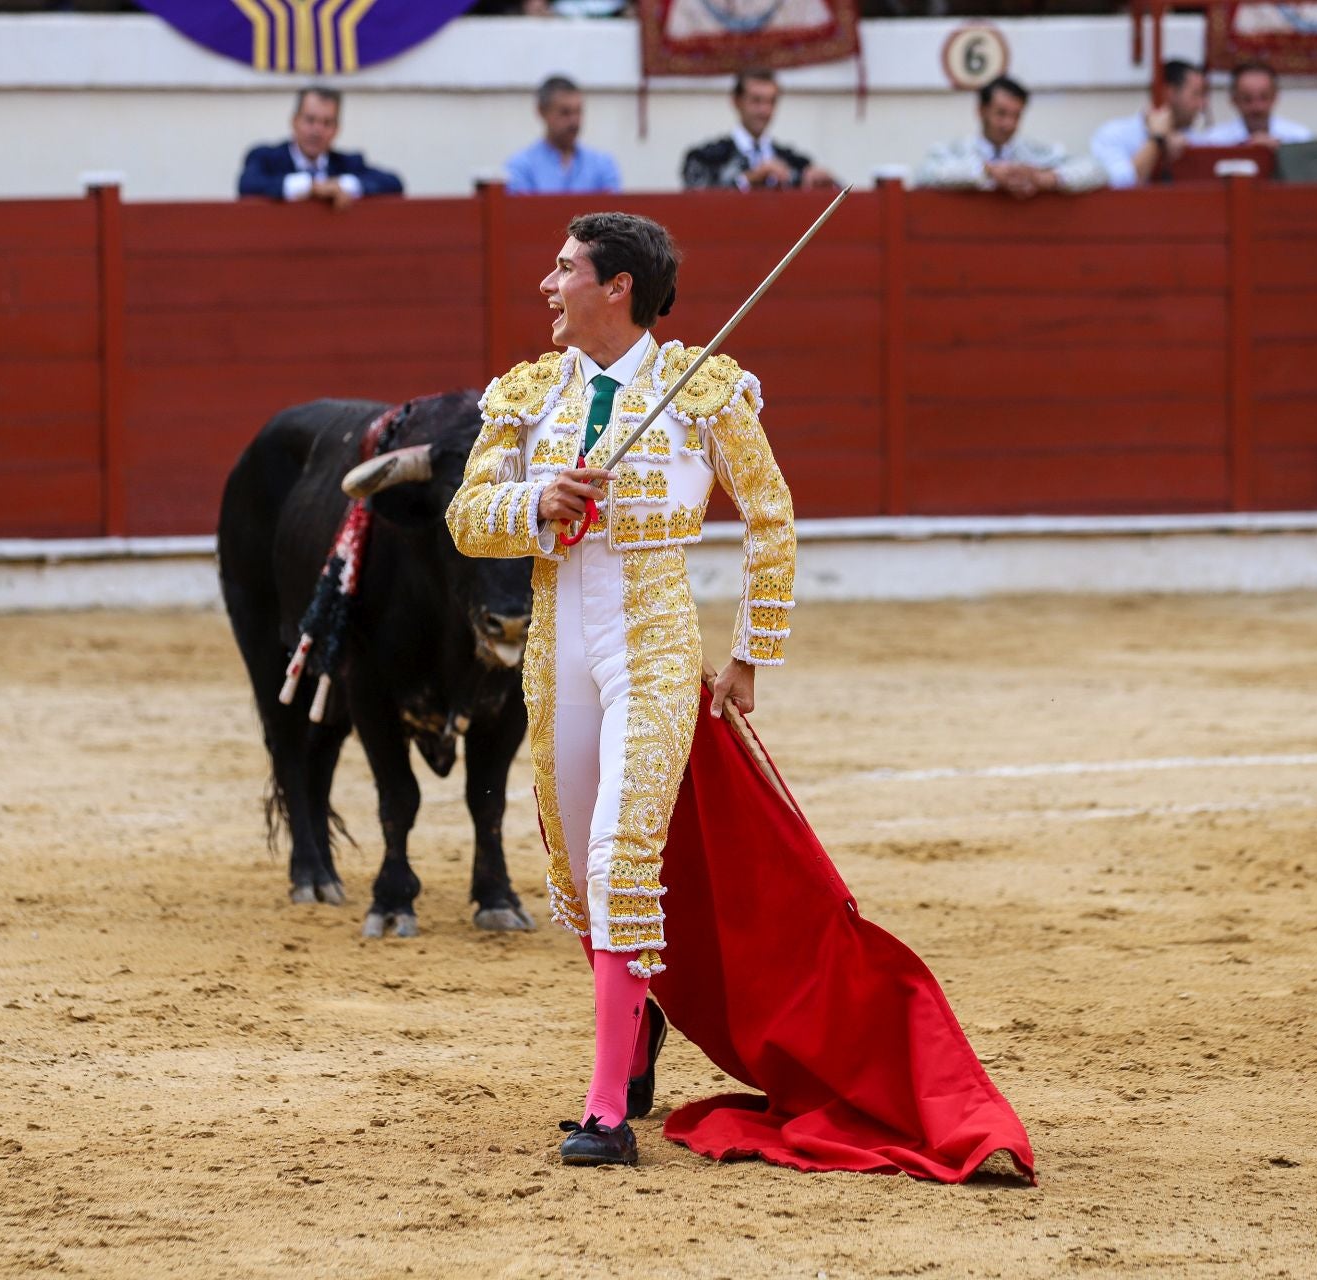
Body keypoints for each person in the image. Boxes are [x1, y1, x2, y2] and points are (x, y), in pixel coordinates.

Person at [443, 213, 1037, 1182]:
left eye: (564, 269)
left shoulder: (701, 390)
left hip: (652, 650)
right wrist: (537, 502)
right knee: (579, 869)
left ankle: (605, 1112)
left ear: (617, 287)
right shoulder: (526, 394)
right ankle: (634, 1032)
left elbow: (772, 514)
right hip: (556, 657)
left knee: (619, 861)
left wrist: (751, 652)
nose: (547, 286)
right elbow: (468, 519)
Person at [916, 75, 1105, 196]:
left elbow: (1097, 170)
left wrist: (1047, 178)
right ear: (981, 111)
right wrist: (986, 172)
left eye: (1016, 115)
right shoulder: (956, 151)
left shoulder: (1034, 152)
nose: (1009, 124)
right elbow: (924, 174)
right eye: (1001, 114)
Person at [237, 86, 403, 207]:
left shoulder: (348, 164)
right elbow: (247, 185)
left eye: (327, 123)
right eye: (310, 120)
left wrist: (340, 185)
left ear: (336, 129)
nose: (317, 130)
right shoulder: (266, 158)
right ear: (294, 121)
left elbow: (394, 183)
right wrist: (310, 186)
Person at [682, 69, 835, 191]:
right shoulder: (704, 158)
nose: (764, 110)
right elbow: (698, 195)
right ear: (737, 101)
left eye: (771, 101)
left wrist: (822, 182)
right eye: (756, 101)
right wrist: (749, 179)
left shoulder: (795, 163)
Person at [1090, 59, 1208, 188]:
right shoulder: (1113, 134)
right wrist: (1157, 140)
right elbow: (1119, 186)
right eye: (1196, 94)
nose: (1202, 105)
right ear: (1169, 93)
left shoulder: (1194, 139)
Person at [505, 76, 622, 195]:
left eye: (578, 112)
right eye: (565, 112)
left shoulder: (602, 165)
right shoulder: (522, 167)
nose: (574, 121)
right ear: (542, 111)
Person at [1191, 60, 1313, 147]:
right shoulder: (1214, 141)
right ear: (1234, 100)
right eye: (1247, 99)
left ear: (1275, 97)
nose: (1257, 107)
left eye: (1264, 97)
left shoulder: (1299, 138)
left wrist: (1281, 152)